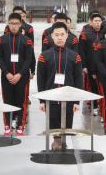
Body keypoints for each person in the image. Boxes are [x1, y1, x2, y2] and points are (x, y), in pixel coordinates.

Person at [37, 22, 83, 150]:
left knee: (67, 122)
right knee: (53, 120)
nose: (60, 37)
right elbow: (41, 80)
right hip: (51, 97)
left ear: (67, 35)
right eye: (56, 35)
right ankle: (56, 141)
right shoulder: (44, 56)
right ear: (51, 36)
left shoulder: (75, 56)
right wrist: (42, 100)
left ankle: (63, 140)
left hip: (69, 98)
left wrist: (77, 101)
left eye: (62, 34)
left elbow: (78, 79)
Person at [0, 13, 34, 136]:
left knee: (21, 101)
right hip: (6, 77)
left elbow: (29, 59)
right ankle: (7, 125)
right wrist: (6, 73)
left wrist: (20, 74)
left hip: (22, 77)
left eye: (16, 24)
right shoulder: (1, 40)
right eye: (12, 23)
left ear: (20, 24)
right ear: (8, 24)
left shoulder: (27, 41)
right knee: (7, 100)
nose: (14, 26)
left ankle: (20, 125)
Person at [79, 13, 106, 116]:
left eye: (99, 21)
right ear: (91, 22)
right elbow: (81, 51)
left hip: (103, 66)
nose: (98, 23)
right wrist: (84, 65)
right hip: (91, 65)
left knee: (103, 87)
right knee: (93, 86)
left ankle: (103, 105)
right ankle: (94, 106)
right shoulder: (85, 34)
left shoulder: (105, 32)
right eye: (95, 21)